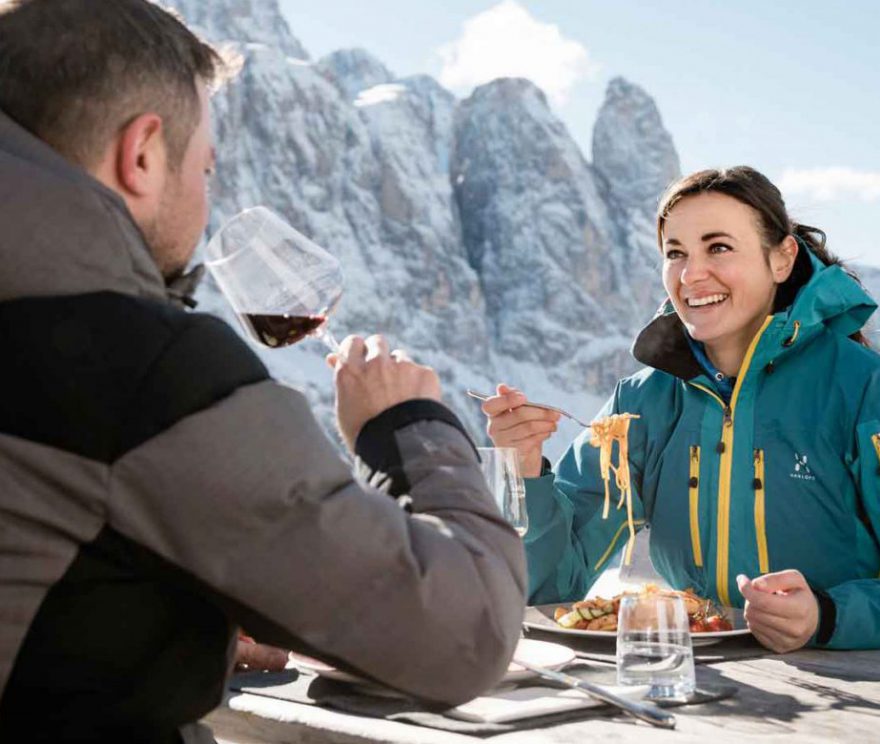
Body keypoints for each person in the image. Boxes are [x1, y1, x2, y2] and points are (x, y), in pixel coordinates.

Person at [0, 1, 526, 741]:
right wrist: (407, 429)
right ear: (143, 155)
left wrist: (173, 627)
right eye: (204, 169)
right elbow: (464, 630)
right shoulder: (140, 370)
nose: (206, 203)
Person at [481, 166, 880, 654]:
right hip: (691, 678)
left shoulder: (866, 390)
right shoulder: (641, 402)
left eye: (719, 248)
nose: (692, 274)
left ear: (782, 259)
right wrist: (526, 468)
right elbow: (551, 586)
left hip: (856, 690)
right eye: (675, 252)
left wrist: (826, 614)